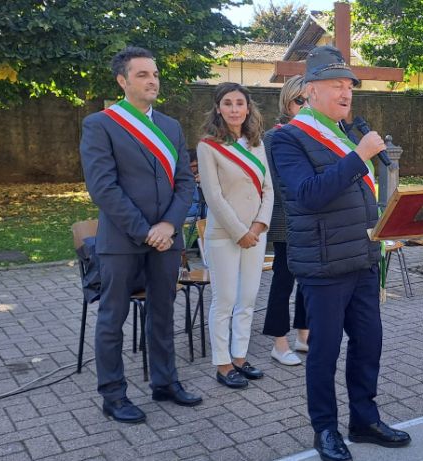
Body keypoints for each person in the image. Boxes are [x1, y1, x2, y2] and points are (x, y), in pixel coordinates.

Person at [271, 45, 411, 461]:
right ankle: (325, 430)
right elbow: (309, 195)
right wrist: (360, 155)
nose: (346, 92)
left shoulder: (345, 133)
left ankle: (364, 421)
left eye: (349, 85)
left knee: (369, 344)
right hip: (323, 264)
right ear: (310, 91)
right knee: (324, 352)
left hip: (363, 258)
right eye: (335, 85)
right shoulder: (286, 138)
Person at [79, 46, 200, 424]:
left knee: (162, 314)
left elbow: (185, 182)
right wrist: (146, 231)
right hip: (122, 241)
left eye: (156, 74)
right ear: (122, 80)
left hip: (166, 239)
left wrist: (169, 226)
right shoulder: (100, 124)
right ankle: (113, 395)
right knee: (112, 319)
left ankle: (165, 382)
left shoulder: (170, 126)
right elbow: (103, 187)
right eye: (143, 74)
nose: (152, 81)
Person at [196, 82, 273, 389]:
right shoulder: (207, 146)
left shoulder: (257, 143)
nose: (234, 109)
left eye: (239, 103)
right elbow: (213, 196)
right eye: (227, 103)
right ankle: (223, 363)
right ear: (218, 108)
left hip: (256, 233)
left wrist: (258, 226)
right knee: (225, 299)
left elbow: (268, 189)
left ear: (248, 107)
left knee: (248, 298)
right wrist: (240, 232)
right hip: (223, 234)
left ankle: (240, 357)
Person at [263, 75, 310, 367]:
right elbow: (272, 182)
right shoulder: (274, 136)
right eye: (299, 100)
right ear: (287, 103)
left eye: (310, 100)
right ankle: (279, 343)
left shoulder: (315, 133)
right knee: (283, 280)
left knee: (308, 279)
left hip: (310, 219)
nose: (305, 106)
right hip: (285, 219)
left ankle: (303, 335)